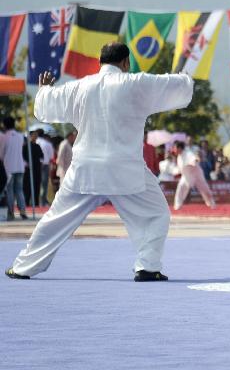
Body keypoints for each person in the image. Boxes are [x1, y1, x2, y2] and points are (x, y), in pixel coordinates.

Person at [5, 43, 193, 281]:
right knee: (157, 214)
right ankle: (147, 266)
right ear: (125, 63)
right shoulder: (135, 83)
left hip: (85, 169)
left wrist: (44, 90)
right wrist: (184, 76)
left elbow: (46, 106)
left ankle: (23, 267)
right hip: (126, 169)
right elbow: (175, 86)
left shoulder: (80, 87)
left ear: (100, 63)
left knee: (54, 220)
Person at [172, 140, 216, 211]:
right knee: (181, 188)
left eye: (175, 148)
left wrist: (196, 160)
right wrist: (175, 171)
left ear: (180, 148)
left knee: (205, 189)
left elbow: (194, 158)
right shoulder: (179, 157)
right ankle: (177, 205)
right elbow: (180, 168)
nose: (174, 150)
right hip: (186, 176)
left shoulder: (188, 153)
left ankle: (211, 203)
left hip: (197, 174)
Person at [1, 116, 28, 220]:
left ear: (4, 125)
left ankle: (11, 212)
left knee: (10, 190)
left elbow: (1, 153)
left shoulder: (4, 137)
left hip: (8, 167)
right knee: (19, 190)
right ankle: (22, 211)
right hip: (20, 166)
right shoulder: (20, 136)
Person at [23, 130, 44, 207]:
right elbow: (23, 157)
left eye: (36, 135)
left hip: (37, 169)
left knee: (36, 186)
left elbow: (42, 157)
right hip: (28, 170)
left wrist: (41, 164)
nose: (35, 137)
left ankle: (36, 203)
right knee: (27, 187)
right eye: (34, 135)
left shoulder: (38, 146)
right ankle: (26, 202)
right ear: (30, 136)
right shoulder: (25, 146)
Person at [35, 128, 54, 205]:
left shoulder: (34, 142)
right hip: (45, 165)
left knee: (35, 183)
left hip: (35, 165)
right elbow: (51, 157)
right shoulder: (48, 144)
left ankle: (34, 200)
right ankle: (42, 201)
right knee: (44, 184)